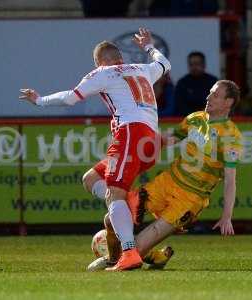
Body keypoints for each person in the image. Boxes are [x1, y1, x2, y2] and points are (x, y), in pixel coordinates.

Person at [19, 28, 171, 271]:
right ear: (120, 57)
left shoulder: (103, 73)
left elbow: (71, 98)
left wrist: (40, 100)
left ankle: (130, 252)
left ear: (100, 62)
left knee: (113, 195)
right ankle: (131, 203)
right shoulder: (141, 69)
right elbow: (164, 63)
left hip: (131, 134)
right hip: (151, 140)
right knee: (91, 179)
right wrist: (149, 47)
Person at [88, 80, 243, 271]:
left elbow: (230, 179)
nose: (209, 97)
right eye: (210, 93)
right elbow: (171, 139)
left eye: (216, 95)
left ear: (228, 102)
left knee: (135, 249)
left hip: (189, 199)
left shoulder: (231, 136)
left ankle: (137, 255)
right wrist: (144, 139)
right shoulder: (195, 118)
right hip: (166, 183)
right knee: (111, 219)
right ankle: (123, 258)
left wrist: (227, 216)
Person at [175, 52, 218, 116]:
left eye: (197, 64)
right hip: (187, 118)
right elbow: (179, 105)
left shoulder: (213, 82)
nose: (194, 67)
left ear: (204, 65)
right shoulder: (182, 83)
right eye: (191, 64)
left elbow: (218, 103)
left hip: (210, 118)